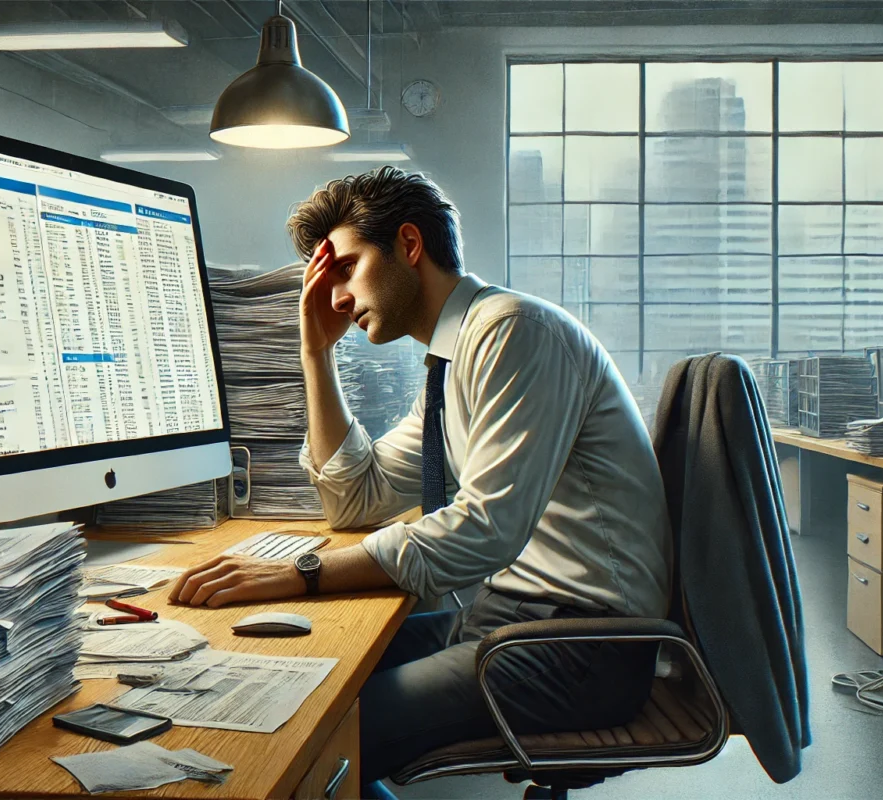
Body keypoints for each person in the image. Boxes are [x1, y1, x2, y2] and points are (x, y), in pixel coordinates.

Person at [169, 167, 674, 785]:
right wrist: (316, 354)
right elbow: (358, 497)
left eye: (347, 268)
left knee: (313, 736)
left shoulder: (513, 332)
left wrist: (302, 573)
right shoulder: (451, 362)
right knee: (300, 690)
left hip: (582, 648)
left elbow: (485, 529)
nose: (336, 298)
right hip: (510, 620)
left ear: (409, 246)